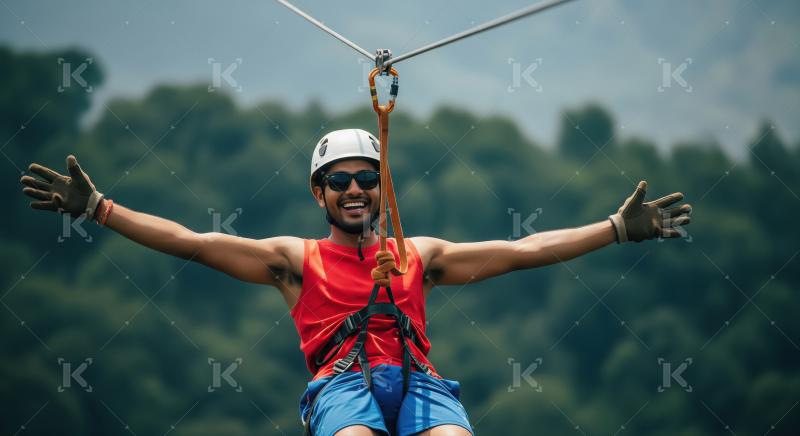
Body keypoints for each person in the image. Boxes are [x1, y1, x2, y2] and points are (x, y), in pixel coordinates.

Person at [20, 128, 692, 436]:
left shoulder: (418, 255)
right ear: (319, 193)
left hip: (422, 387)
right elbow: (193, 243)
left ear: (380, 187)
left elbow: (523, 250)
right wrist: (99, 209)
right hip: (342, 391)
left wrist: (615, 228)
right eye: (338, 181)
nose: (354, 190)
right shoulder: (294, 259)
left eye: (366, 179)